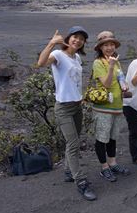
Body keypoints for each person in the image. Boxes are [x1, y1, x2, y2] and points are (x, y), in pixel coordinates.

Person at [37, 26, 96, 201]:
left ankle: (68, 171)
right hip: (63, 107)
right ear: (69, 38)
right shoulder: (58, 55)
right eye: (75, 37)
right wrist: (51, 43)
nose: (77, 41)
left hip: (76, 106)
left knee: (74, 141)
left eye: (81, 39)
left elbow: (75, 81)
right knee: (73, 144)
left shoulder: (76, 57)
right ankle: (81, 181)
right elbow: (41, 63)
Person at [91, 31, 130, 182]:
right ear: (100, 47)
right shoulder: (98, 63)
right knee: (102, 138)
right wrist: (111, 66)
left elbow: (120, 80)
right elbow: (106, 84)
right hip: (103, 107)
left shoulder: (116, 61)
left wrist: (124, 86)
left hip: (117, 105)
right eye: (105, 45)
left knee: (113, 137)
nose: (109, 47)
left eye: (111, 44)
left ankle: (113, 163)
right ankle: (104, 167)